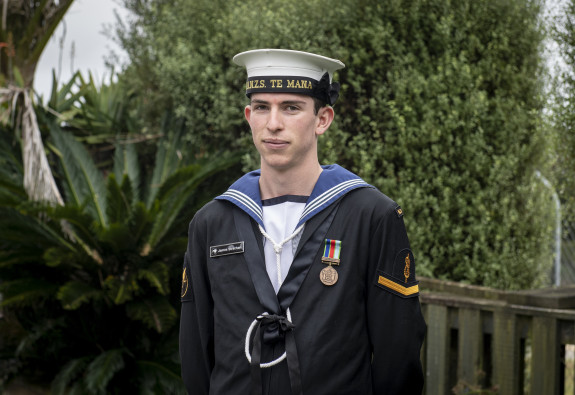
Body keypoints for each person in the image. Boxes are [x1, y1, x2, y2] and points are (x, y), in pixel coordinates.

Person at [179, 48, 426, 395]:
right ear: (249, 116)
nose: (273, 123)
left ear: (323, 119)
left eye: (291, 107)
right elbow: (195, 354)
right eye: (262, 107)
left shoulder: (371, 216)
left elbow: (397, 357)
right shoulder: (210, 223)